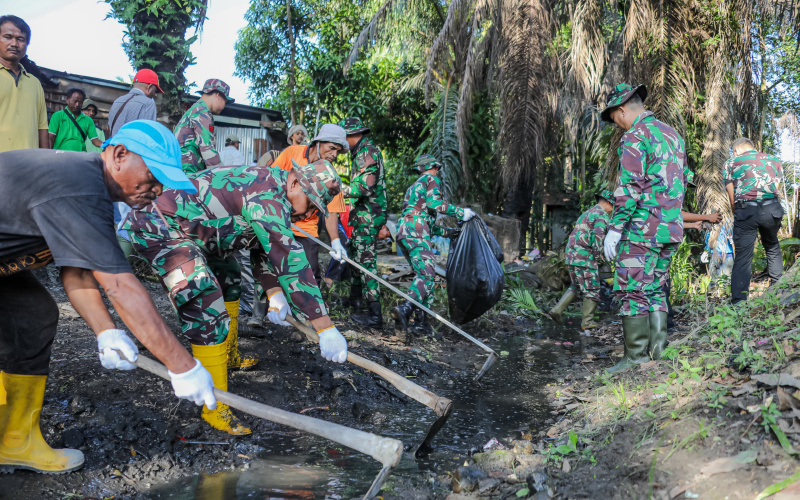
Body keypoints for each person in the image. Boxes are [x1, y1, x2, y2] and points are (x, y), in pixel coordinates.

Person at [0, 120, 216, 474]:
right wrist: (183, 366)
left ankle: (14, 441)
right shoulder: (78, 185)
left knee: (32, 316)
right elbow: (118, 285)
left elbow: (79, 270)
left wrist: (105, 331)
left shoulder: (91, 188)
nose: (157, 188)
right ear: (119, 155)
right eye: (152, 175)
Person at [122, 159, 349, 435]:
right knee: (206, 298)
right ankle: (214, 407)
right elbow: (287, 254)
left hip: (199, 231)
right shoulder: (266, 192)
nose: (311, 212)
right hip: (159, 225)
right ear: (294, 183)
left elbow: (260, 243)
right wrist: (324, 326)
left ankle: (226, 357)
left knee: (230, 278)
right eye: (312, 203)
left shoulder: (274, 191)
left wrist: (275, 292)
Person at [600, 83, 686, 373]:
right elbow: (681, 181)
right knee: (656, 288)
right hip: (670, 228)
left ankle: (635, 357)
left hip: (642, 230)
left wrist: (615, 228)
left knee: (632, 290)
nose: (617, 126)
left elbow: (630, 188)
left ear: (622, 110)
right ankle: (658, 351)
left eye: (615, 120)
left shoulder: (634, 136)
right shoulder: (672, 135)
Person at [391, 154, 475, 336]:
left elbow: (425, 221)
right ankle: (405, 310)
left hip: (405, 231)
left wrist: (451, 233)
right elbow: (435, 204)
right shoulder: (431, 179)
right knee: (427, 274)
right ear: (435, 167)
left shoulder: (413, 188)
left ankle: (422, 324)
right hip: (416, 231)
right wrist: (461, 213)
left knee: (425, 276)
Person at [338, 117, 388, 328]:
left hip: (369, 216)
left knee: (366, 262)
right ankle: (355, 300)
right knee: (356, 257)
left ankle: (375, 316)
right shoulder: (360, 152)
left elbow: (365, 188)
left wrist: (338, 191)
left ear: (351, 136)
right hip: (362, 215)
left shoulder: (366, 152)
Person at [724, 137, 785, 303]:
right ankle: (777, 294)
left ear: (736, 150)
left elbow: (732, 196)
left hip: (746, 209)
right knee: (772, 246)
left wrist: (739, 213)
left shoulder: (732, 162)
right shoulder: (774, 160)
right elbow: (775, 189)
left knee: (743, 256)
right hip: (772, 209)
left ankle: (738, 303)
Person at [548, 190, 615, 330]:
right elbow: (598, 237)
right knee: (592, 289)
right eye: (613, 206)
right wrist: (599, 257)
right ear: (609, 203)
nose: (613, 210)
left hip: (572, 256)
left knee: (575, 285)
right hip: (585, 257)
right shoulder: (601, 215)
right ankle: (588, 322)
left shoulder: (588, 213)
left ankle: (556, 310)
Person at [0, 15, 49, 152]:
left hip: (29, 165)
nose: (14, 44)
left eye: (20, 39)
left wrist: (45, 162)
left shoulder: (34, 83)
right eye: (8, 37)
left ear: (26, 44)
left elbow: (42, 128)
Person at [175, 79, 233, 174]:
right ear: (218, 95)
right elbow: (207, 151)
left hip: (182, 169)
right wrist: (224, 175)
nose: (224, 106)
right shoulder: (202, 112)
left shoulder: (196, 109)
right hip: (188, 172)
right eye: (225, 101)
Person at [107, 68, 161, 136]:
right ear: (149, 88)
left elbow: (110, 127)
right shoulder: (148, 103)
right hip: (132, 146)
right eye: (155, 91)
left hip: (114, 145)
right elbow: (146, 134)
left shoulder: (117, 101)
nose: (155, 94)